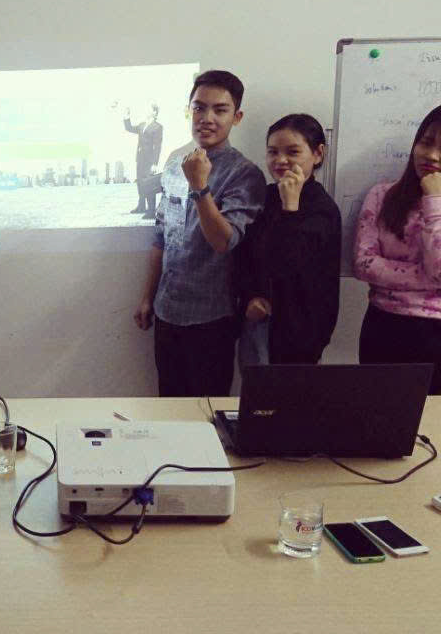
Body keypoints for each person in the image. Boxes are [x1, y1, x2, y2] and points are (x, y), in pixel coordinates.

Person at [133, 70, 263, 397]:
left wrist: (199, 185)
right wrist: (148, 296)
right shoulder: (175, 162)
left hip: (212, 318)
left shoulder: (244, 174)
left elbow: (224, 241)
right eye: (199, 108)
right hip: (167, 310)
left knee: (206, 412)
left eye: (220, 110)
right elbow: (161, 237)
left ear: (237, 117)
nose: (207, 118)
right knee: (168, 406)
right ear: (188, 111)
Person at [354, 102, 441, 395]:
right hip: (386, 323)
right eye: (426, 142)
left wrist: (436, 199)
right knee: (379, 417)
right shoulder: (382, 195)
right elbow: (365, 265)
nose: (432, 155)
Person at [234, 113, 341, 367]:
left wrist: (290, 208)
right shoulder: (265, 196)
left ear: (318, 154)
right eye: (272, 152)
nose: (280, 160)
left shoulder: (322, 208)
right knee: (255, 390)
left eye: (293, 152)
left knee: (291, 392)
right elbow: (243, 256)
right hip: (258, 325)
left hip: (300, 333)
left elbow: (289, 265)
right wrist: (250, 297)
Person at [123, 102, 163, 217]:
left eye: (148, 108)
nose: (146, 110)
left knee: (149, 184)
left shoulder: (158, 127)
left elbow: (157, 146)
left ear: (154, 112)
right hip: (140, 159)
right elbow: (129, 128)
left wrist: (155, 163)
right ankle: (141, 206)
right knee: (140, 183)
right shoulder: (142, 125)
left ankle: (151, 210)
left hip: (149, 160)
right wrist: (127, 117)